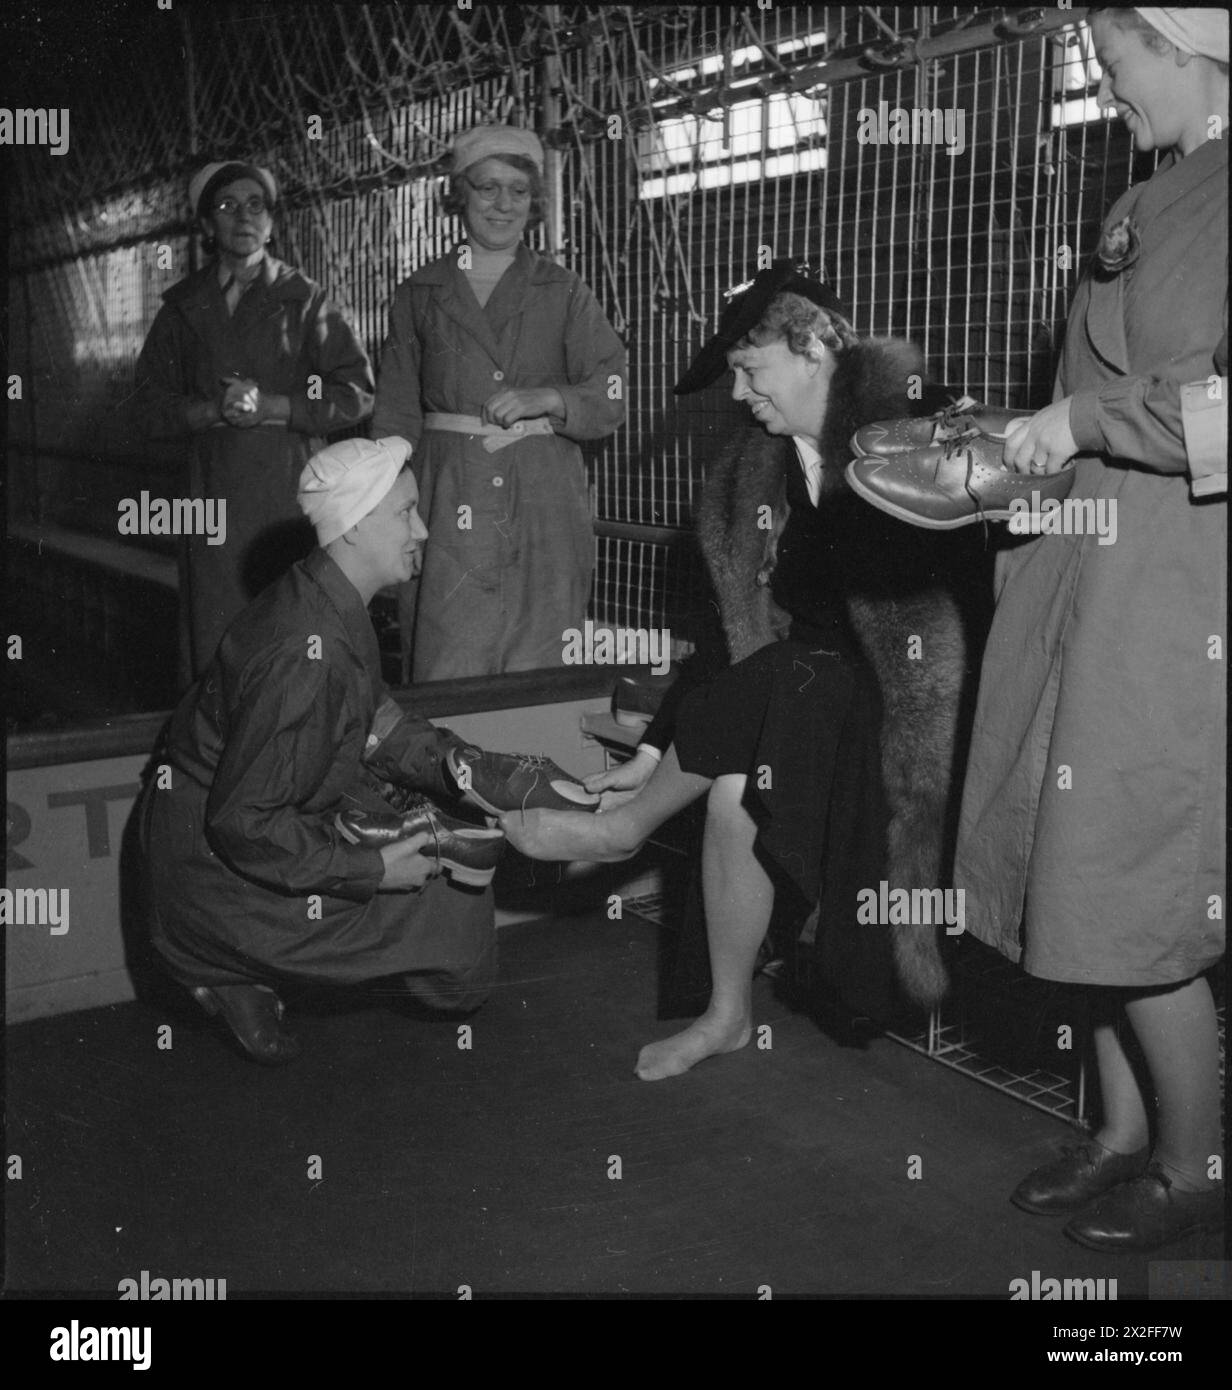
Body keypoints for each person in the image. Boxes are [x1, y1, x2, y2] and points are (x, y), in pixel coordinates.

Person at [501, 263, 964, 1079]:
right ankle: (725, 1013)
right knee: (729, 786)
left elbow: (965, 613)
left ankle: (623, 831)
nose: (742, 395)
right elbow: (727, 643)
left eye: (751, 371)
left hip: (907, 711)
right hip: (795, 703)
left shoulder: (923, 432)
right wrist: (650, 753)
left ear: (816, 344)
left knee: (792, 679)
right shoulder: (761, 471)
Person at [951, 7, 1227, 1251]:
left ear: (1186, 49)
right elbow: (1083, 386)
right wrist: (1018, 463)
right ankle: (1119, 1134)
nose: (1105, 90)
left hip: (1175, 582)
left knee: (1128, 876)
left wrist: (1082, 425)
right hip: (1085, 562)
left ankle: (1192, 1161)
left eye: (1115, 68)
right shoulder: (1149, 193)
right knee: (1067, 861)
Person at [135, 437, 591, 1065]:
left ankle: (236, 964)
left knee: (445, 846)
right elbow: (243, 821)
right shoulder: (306, 648)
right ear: (352, 528)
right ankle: (225, 963)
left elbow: (373, 721)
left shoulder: (322, 598)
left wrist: (468, 767)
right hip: (209, 870)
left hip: (216, 831)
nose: (425, 528)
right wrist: (373, 872)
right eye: (405, 512)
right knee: (457, 942)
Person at [372, 124, 626, 680]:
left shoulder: (563, 290)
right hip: (447, 493)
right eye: (487, 188)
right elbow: (393, 412)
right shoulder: (420, 293)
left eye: (518, 190)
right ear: (459, 194)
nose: (502, 204)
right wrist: (390, 497)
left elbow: (611, 393)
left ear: (534, 203)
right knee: (447, 648)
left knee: (541, 649)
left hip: (542, 497)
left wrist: (554, 397)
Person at [135, 160, 375, 685]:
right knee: (216, 634)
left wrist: (277, 408)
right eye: (227, 206)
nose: (243, 216)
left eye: (256, 205)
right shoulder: (181, 308)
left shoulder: (305, 299)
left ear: (271, 221)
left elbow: (356, 393)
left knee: (290, 625)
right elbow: (146, 405)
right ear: (205, 226)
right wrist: (207, 411)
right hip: (211, 490)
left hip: (288, 489)